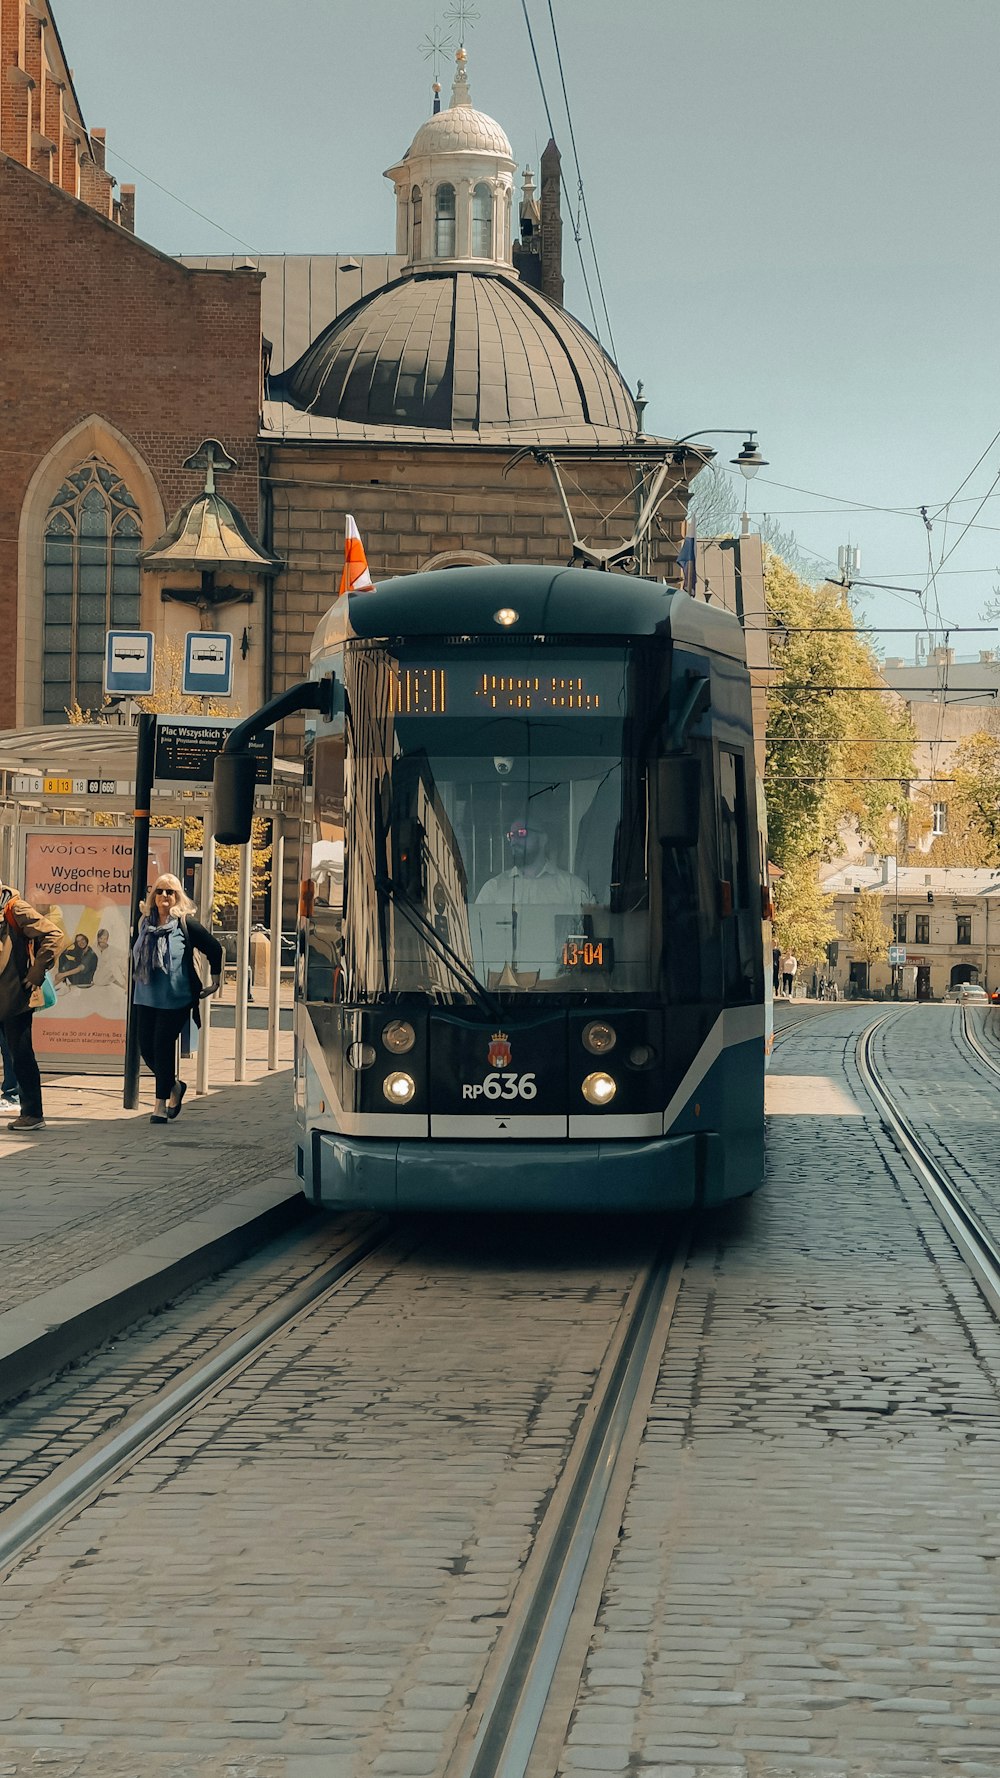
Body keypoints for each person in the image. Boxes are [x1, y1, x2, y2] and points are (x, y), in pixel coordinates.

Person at [131, 874, 223, 1126]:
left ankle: (159, 1105)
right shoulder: (143, 923)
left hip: (176, 998)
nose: (164, 896)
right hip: (145, 996)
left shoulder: (185, 924)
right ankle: (174, 1085)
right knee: (147, 1049)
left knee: (162, 1047)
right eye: (159, 891)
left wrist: (215, 980)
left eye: (170, 892)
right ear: (153, 896)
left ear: (178, 896)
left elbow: (215, 948)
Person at [0, 880, 61, 1131]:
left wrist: (36, 973)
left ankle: (33, 1113)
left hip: (14, 998)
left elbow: (53, 934)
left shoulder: (15, 908)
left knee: (21, 1054)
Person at [475, 820, 591, 909]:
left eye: (521, 833)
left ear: (543, 839)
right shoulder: (493, 888)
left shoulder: (572, 887)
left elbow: (594, 931)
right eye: (511, 835)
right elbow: (475, 934)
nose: (514, 841)